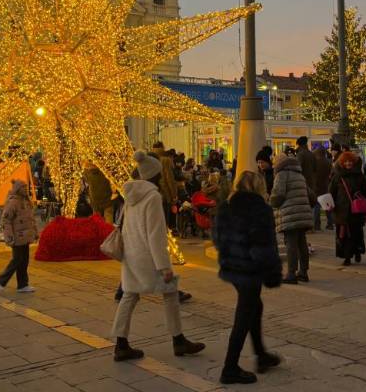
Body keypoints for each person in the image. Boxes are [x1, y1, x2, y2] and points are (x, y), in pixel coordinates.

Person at [111, 151, 205, 362]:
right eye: (159, 174)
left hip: (132, 254)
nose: (162, 176)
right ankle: (178, 340)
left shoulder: (131, 196)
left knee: (129, 296)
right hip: (149, 257)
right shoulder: (152, 197)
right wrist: (164, 266)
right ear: (153, 175)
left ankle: (121, 344)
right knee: (170, 293)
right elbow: (155, 235)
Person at [214, 171, 282, 384]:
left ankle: (261, 355)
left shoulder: (227, 206)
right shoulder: (260, 209)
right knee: (244, 314)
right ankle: (230, 368)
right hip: (250, 269)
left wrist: (230, 255)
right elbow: (263, 246)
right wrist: (272, 273)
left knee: (254, 306)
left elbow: (217, 237)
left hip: (233, 267)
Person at [270, 154, 314, 284]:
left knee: (291, 244)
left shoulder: (281, 174)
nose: (273, 166)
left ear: (279, 164)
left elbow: (278, 195)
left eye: (274, 163)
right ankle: (304, 272)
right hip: (302, 213)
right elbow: (311, 195)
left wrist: (271, 202)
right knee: (302, 243)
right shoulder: (299, 174)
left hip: (290, 214)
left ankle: (291, 273)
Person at [0, 180, 37, 292]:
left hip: (25, 236)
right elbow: (6, 220)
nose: (26, 189)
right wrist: (9, 236)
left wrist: (34, 232)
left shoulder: (26, 201)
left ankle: (22, 285)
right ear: (18, 189)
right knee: (17, 260)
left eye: (26, 187)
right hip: (17, 236)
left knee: (24, 261)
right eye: (23, 187)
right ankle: (2, 280)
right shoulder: (13, 202)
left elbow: (31, 219)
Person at [330, 151, 366, 266]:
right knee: (343, 235)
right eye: (346, 161)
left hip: (356, 210)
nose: (348, 163)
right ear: (342, 163)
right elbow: (331, 192)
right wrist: (331, 205)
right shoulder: (337, 176)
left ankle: (357, 252)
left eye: (350, 161)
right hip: (341, 210)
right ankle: (347, 257)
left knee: (356, 233)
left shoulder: (359, 176)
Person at [152, 142, 178, 230]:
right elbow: (169, 178)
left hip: (151, 192)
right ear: (162, 147)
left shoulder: (149, 159)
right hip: (164, 193)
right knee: (164, 219)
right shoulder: (166, 160)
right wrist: (173, 195)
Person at [313, 146, 333, 231]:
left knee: (316, 206)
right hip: (326, 185)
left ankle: (317, 225)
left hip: (316, 186)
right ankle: (330, 224)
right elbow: (331, 173)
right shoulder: (328, 162)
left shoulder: (315, 162)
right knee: (327, 206)